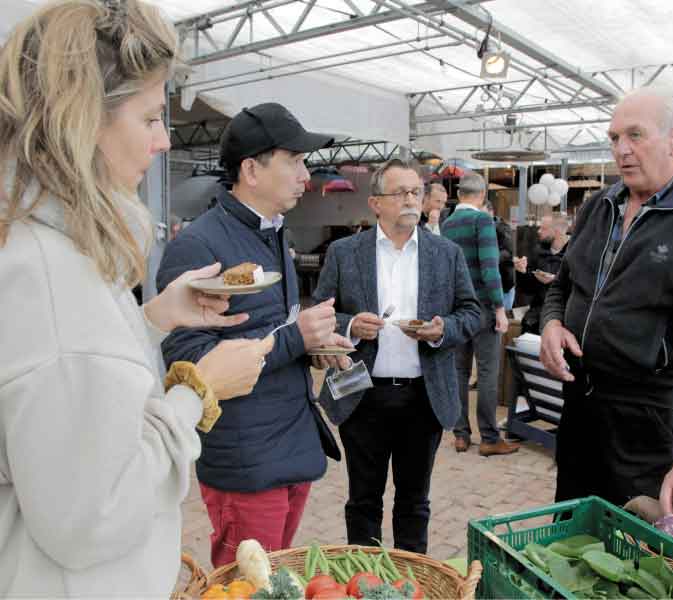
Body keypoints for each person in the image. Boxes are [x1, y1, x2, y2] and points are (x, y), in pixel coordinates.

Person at [0, 1, 273, 595]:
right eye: (150, 118)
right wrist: (196, 395)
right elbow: (90, 516)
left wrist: (152, 321)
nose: (163, 139)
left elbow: (68, 389)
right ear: (82, 122)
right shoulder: (53, 275)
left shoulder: (38, 247)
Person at [539, 87, 673, 526]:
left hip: (648, 427)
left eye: (635, 135)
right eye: (614, 137)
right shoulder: (599, 205)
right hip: (581, 412)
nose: (621, 150)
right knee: (570, 536)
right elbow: (563, 284)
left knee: (639, 557)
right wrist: (552, 322)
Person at [157, 102, 343, 566]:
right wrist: (294, 338)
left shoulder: (275, 233)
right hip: (245, 458)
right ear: (251, 170)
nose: (306, 175)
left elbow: (272, 326)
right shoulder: (197, 245)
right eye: (295, 161)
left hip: (289, 442)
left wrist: (313, 345)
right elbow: (190, 362)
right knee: (243, 585)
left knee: (273, 579)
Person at [312, 159, 481, 553]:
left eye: (415, 191)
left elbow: (472, 313)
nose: (410, 199)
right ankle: (362, 584)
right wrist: (351, 325)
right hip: (361, 395)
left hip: (424, 397)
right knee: (363, 502)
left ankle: (410, 584)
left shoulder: (446, 253)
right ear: (375, 203)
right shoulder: (343, 252)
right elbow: (320, 312)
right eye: (400, 192)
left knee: (414, 503)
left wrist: (443, 330)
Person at [442, 172, 520, 456]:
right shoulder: (482, 220)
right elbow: (490, 268)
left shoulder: (447, 224)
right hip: (483, 308)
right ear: (482, 194)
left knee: (459, 372)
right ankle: (489, 438)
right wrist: (500, 308)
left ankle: (461, 434)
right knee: (487, 372)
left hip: (457, 309)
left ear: (460, 194)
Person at [520, 214, 568, 334]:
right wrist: (522, 271)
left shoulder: (574, 253)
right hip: (536, 316)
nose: (538, 231)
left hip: (563, 319)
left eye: (544, 228)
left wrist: (555, 280)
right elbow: (527, 290)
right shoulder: (537, 252)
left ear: (556, 231)